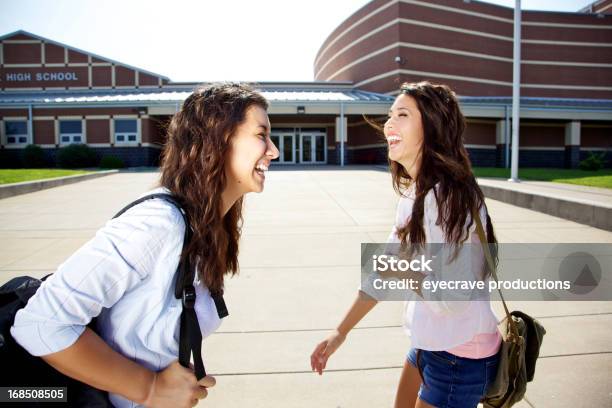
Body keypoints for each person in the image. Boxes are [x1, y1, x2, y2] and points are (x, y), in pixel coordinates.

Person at [11, 82, 279, 407]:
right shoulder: (158, 223)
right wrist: (149, 387)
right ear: (216, 140)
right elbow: (40, 323)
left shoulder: (205, 225)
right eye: (261, 135)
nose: (273, 150)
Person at [310, 81, 501, 408]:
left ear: (432, 126)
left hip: (461, 355)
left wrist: (406, 271)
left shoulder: (445, 199)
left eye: (402, 115)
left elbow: (451, 299)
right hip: (432, 342)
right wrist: (340, 332)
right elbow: (383, 270)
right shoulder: (418, 195)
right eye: (389, 115)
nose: (388, 124)